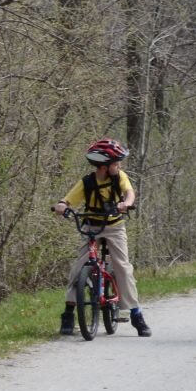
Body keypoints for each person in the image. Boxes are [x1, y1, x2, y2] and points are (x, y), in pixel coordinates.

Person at [52, 139, 151, 337]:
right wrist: (62, 205)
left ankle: (135, 314)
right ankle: (69, 313)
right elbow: (69, 198)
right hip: (91, 226)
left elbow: (129, 193)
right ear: (104, 167)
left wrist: (126, 203)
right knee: (78, 268)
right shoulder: (87, 182)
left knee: (122, 266)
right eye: (116, 163)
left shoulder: (119, 177)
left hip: (114, 226)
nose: (119, 166)